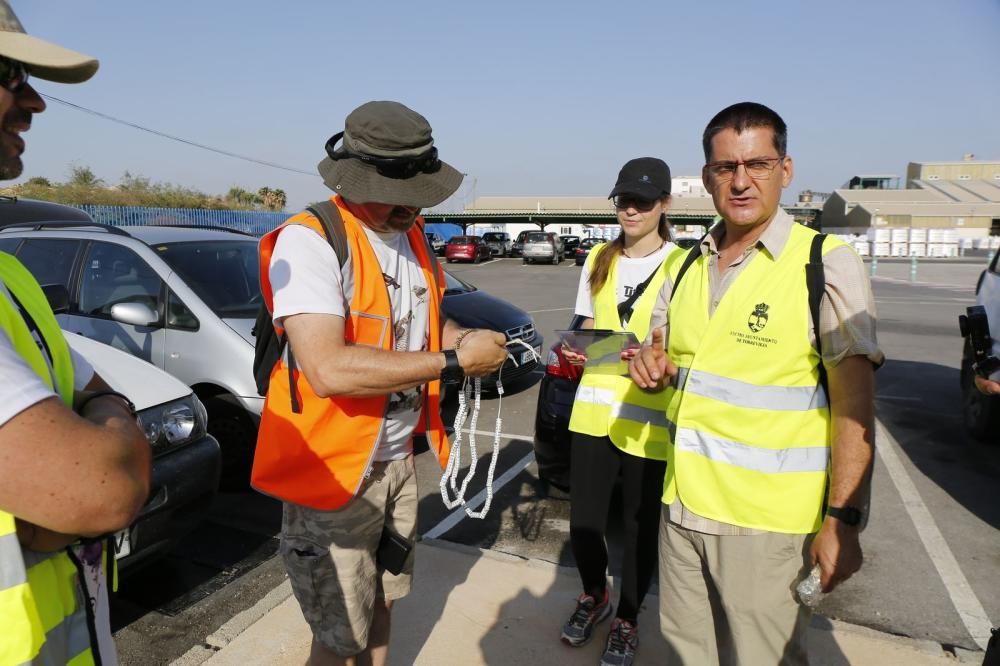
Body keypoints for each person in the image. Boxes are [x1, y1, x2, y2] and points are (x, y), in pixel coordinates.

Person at [251, 100, 508, 666]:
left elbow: (429, 318)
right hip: (335, 478)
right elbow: (329, 368)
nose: (413, 207)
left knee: (385, 604)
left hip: (395, 463)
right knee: (338, 637)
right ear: (357, 178)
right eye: (401, 192)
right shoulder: (312, 240)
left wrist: (462, 338)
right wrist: (452, 363)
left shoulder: (412, 237)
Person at [628, 102, 883, 665]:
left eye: (758, 165)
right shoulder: (685, 266)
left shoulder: (824, 263)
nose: (740, 181)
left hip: (768, 531)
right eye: (725, 168)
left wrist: (843, 520)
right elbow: (662, 359)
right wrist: (648, 368)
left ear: (785, 170)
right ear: (708, 176)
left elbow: (855, 407)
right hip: (680, 511)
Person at [0, 3, 152, 664]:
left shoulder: (8, 273)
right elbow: (103, 489)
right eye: (9, 73)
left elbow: (96, 389)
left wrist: (102, 417)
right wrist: (104, 431)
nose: (33, 101)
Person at [560, 157, 684, 666]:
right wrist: (575, 349)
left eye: (644, 200)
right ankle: (595, 595)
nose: (631, 209)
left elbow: (685, 341)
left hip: (647, 418)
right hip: (592, 415)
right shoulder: (597, 258)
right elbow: (588, 325)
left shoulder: (685, 264)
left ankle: (629, 619)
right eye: (623, 200)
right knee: (584, 524)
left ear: (665, 206)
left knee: (639, 529)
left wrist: (659, 355)